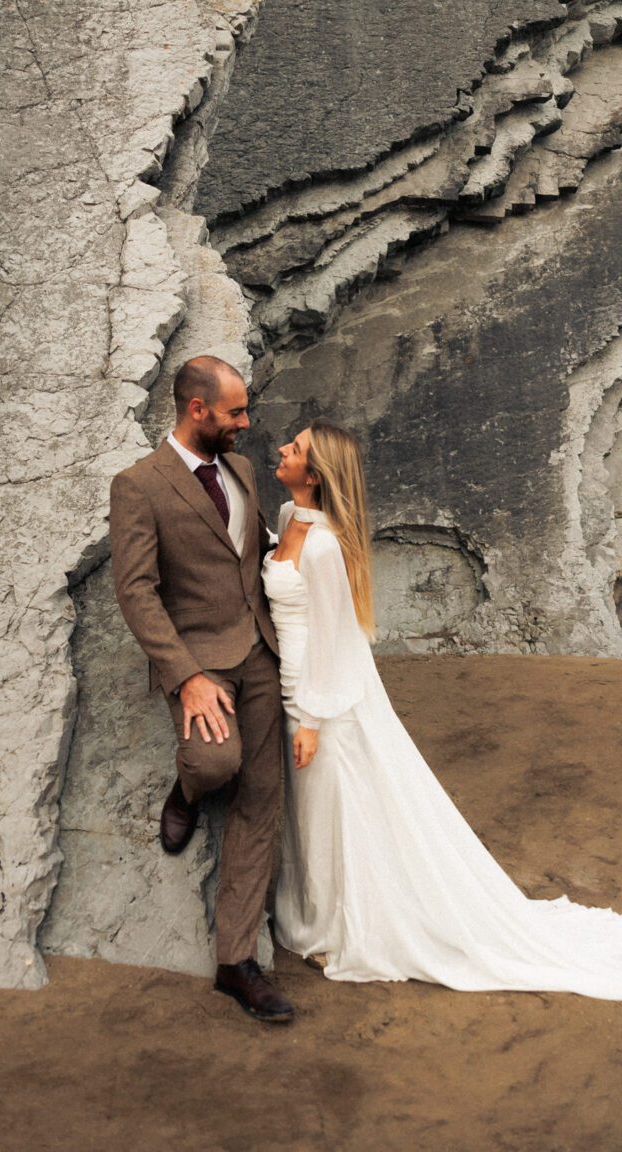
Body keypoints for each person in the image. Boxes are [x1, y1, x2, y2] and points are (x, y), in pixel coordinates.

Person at [263, 417, 622, 998]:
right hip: (288, 688)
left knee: (336, 814)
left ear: (317, 472)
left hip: (320, 698)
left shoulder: (327, 545)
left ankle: (344, 927)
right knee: (308, 816)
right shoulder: (287, 520)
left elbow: (337, 639)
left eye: (296, 447)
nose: (282, 448)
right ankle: (313, 913)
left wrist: (311, 718)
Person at [109, 355, 293, 1023]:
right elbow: (135, 591)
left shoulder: (241, 470)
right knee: (218, 762)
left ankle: (235, 962)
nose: (246, 423)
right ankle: (186, 789)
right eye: (235, 412)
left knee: (263, 797)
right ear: (196, 410)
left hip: (261, 654)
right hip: (200, 662)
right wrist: (185, 677)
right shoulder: (139, 485)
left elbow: (258, 549)